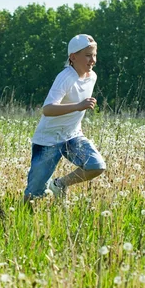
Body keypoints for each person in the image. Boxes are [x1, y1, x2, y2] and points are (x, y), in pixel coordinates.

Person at [24, 34, 106, 201]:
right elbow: (47, 109)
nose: (93, 60)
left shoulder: (92, 77)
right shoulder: (65, 77)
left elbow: (78, 107)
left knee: (96, 166)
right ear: (73, 57)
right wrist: (78, 106)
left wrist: (78, 121)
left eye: (95, 55)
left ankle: (59, 184)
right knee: (33, 196)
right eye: (88, 55)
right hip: (48, 140)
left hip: (72, 136)